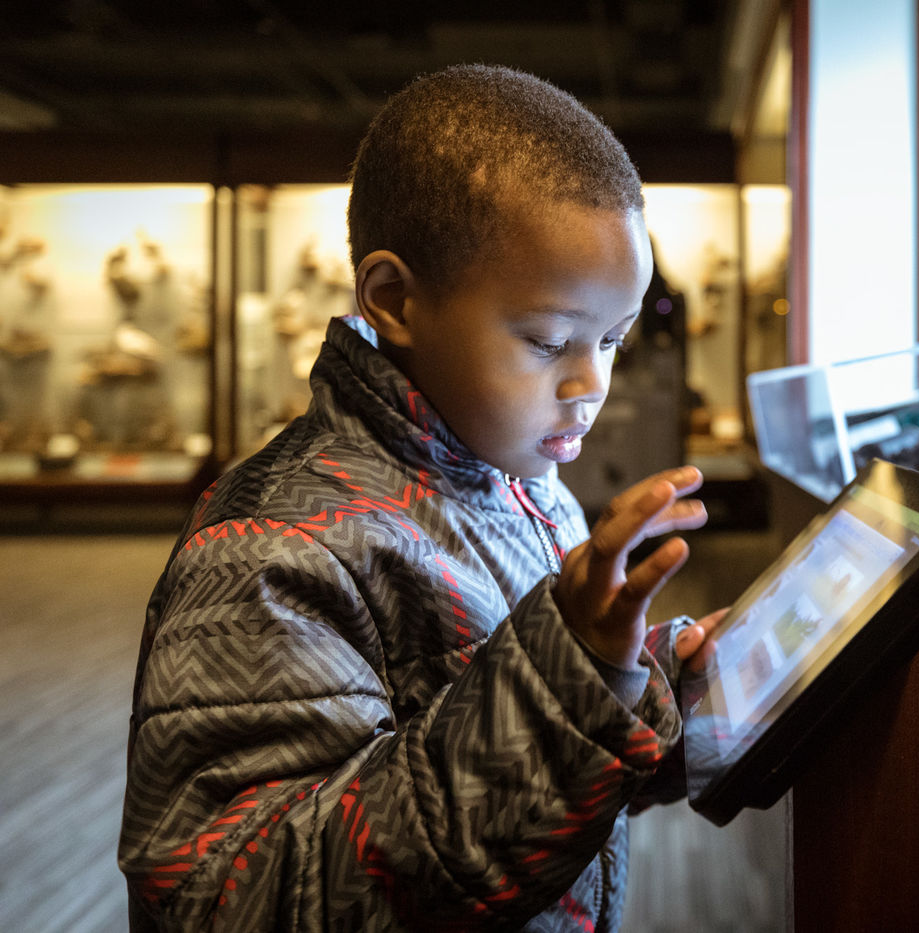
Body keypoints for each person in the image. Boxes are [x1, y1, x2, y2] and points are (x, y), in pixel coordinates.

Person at [118, 63, 722, 932]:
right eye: (550, 340)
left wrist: (645, 683)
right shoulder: (268, 551)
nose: (591, 381)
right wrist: (569, 679)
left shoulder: (525, 486)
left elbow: (513, 773)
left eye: (614, 338)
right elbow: (233, 901)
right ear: (395, 300)